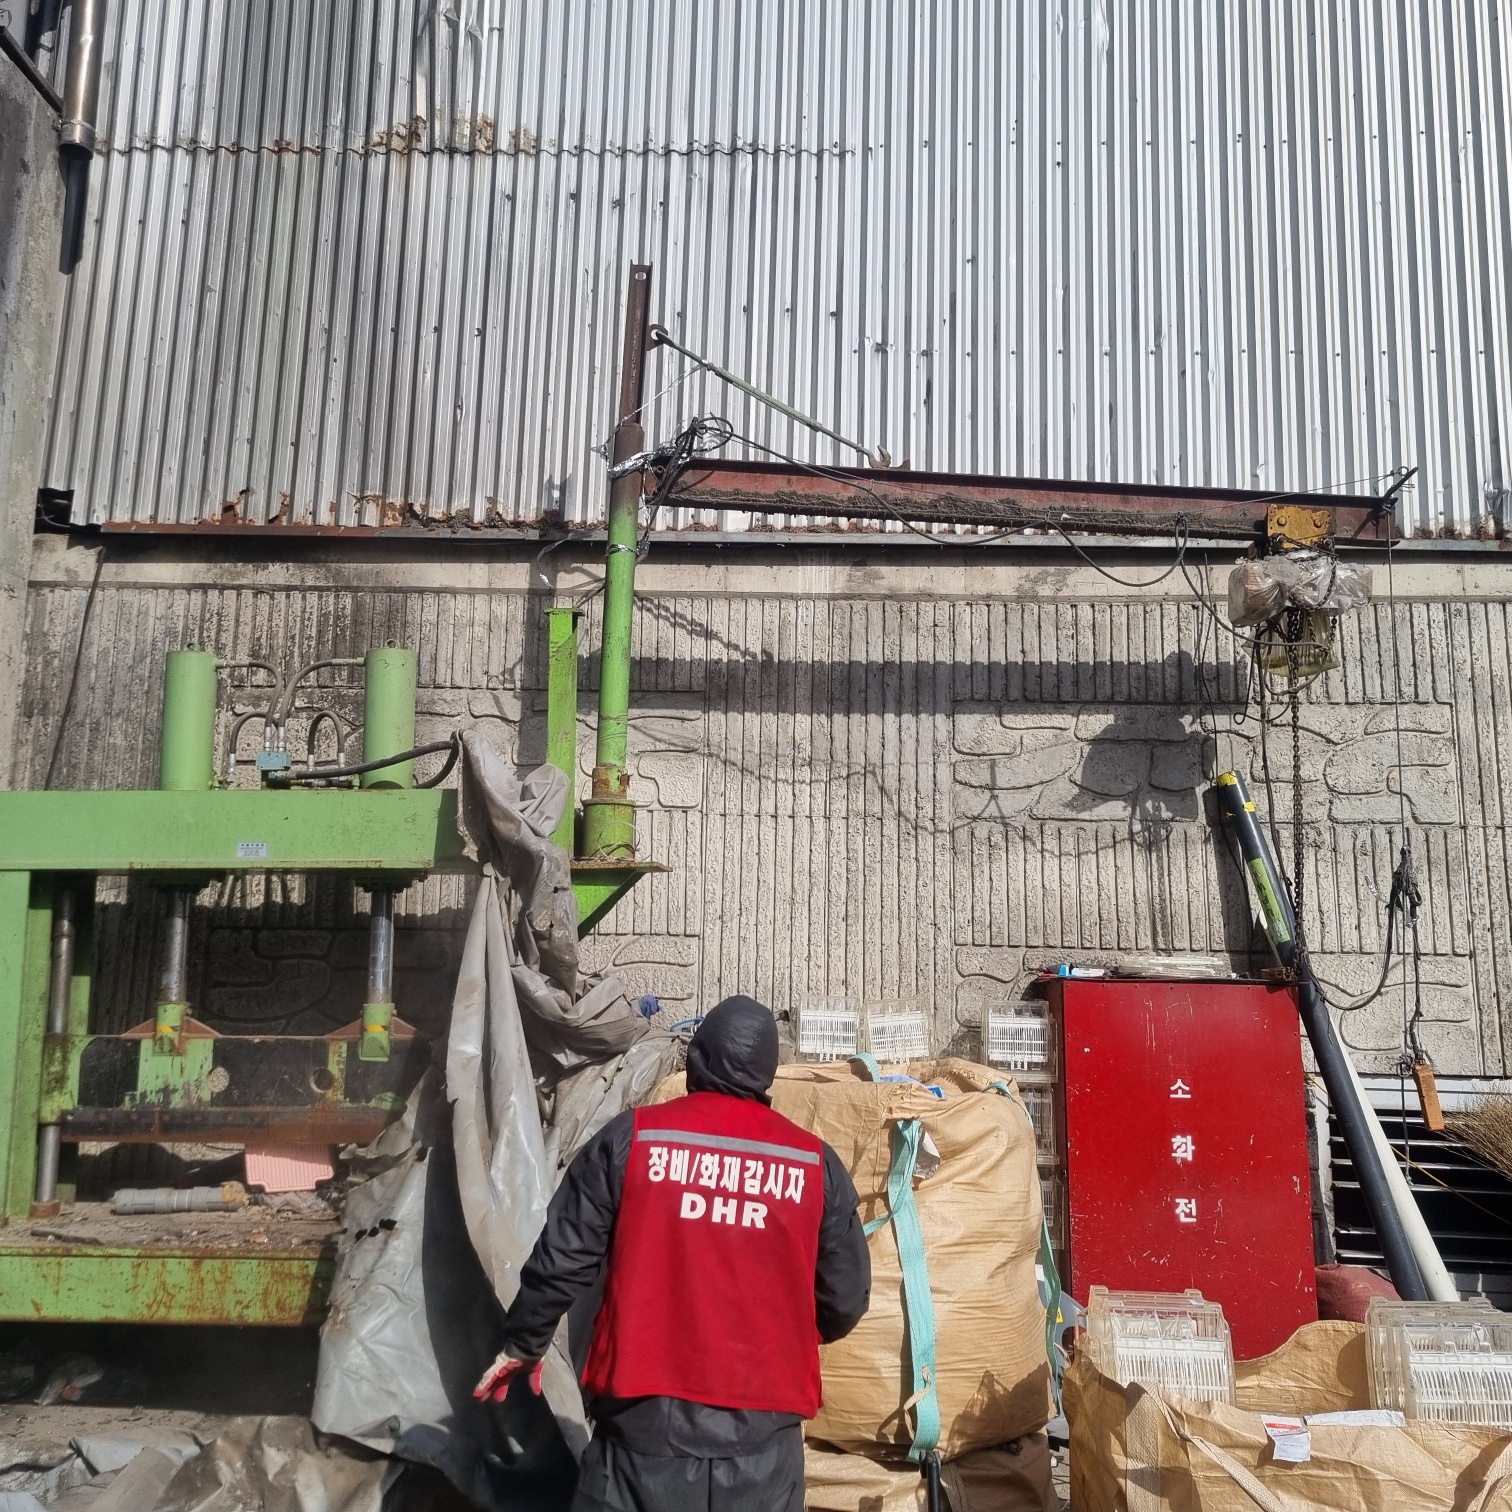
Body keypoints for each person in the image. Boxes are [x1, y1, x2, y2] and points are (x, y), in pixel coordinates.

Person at [474, 994, 871, 1511]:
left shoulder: (632, 1139)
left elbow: (562, 1259)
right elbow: (845, 1300)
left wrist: (524, 1343)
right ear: (768, 1074)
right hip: (765, 1449)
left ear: (696, 1057)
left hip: (639, 1439)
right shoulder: (815, 1166)